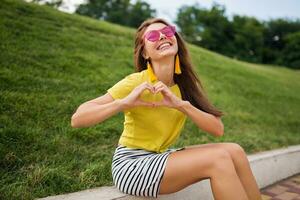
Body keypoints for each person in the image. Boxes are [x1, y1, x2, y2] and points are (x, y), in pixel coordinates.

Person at [71, 18, 262, 200]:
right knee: (218, 159)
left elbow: (217, 129)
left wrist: (182, 105)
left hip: (161, 155)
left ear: (175, 39)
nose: (162, 37)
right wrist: (122, 103)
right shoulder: (137, 82)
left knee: (234, 151)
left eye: (167, 31)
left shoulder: (185, 86)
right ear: (145, 53)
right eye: (153, 36)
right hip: (132, 165)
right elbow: (78, 118)